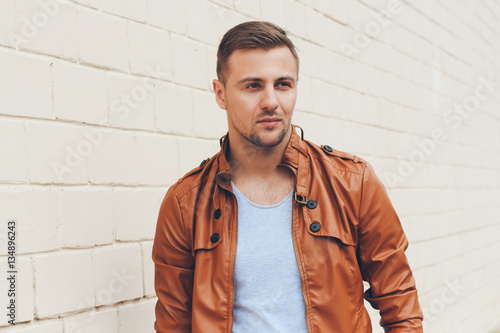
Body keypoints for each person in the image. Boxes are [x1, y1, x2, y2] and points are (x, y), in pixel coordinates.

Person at [153, 21, 423, 332]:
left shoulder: (352, 182)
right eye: (253, 85)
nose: (271, 101)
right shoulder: (185, 204)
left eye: (283, 84)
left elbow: (399, 303)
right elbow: (173, 324)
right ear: (220, 94)